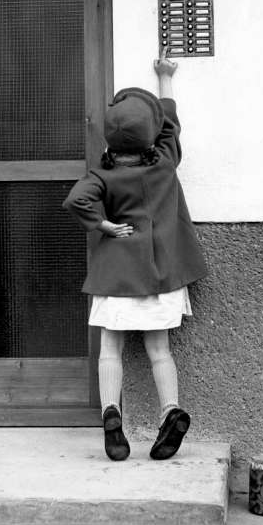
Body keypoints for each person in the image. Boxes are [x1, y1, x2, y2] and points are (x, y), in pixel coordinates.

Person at [63, 50, 207, 461]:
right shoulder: (165, 164)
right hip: (160, 276)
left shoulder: (102, 175)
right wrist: (164, 77)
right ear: (150, 136)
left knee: (111, 349)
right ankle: (170, 410)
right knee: (159, 350)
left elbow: (75, 200)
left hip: (116, 276)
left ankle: (111, 413)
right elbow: (170, 122)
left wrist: (104, 225)